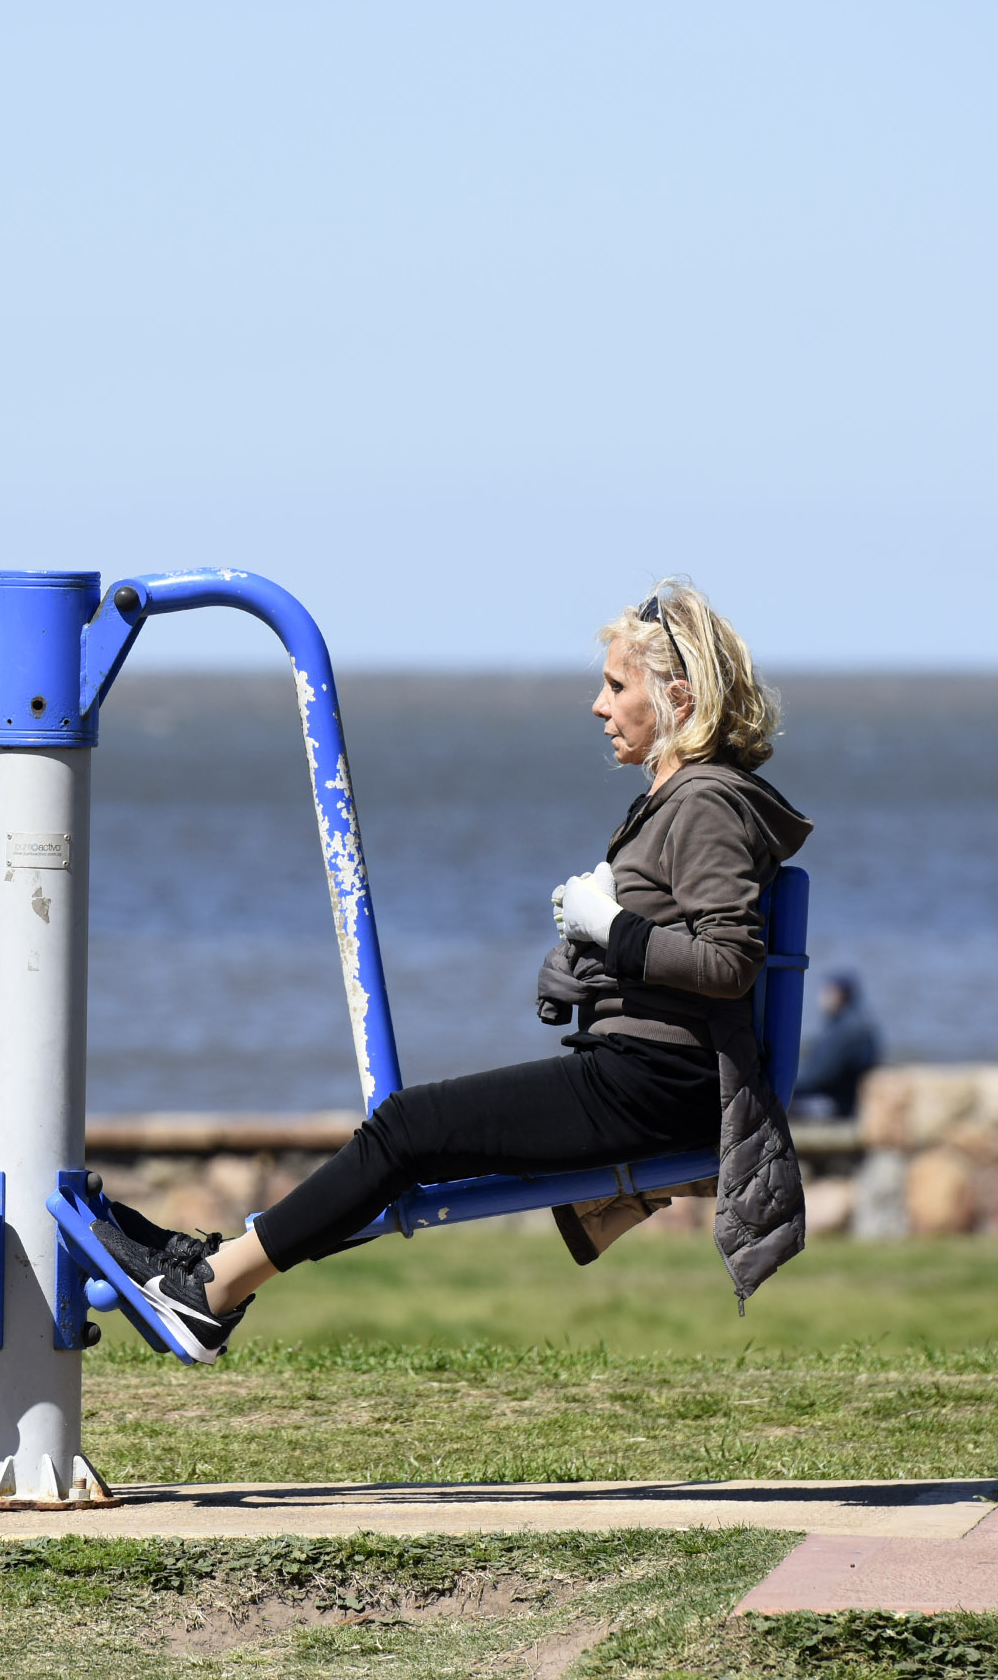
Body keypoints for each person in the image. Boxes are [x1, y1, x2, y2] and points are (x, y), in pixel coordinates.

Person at [96, 580, 814, 1360]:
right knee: (412, 1146)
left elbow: (728, 962)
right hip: (647, 1067)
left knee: (408, 1131)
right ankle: (213, 1269)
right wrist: (590, 962)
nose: (598, 706)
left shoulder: (704, 801)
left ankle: (208, 1289)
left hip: (657, 1081)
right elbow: (677, 951)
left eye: (615, 685)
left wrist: (613, 930)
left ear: (676, 695)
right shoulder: (678, 799)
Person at [789, 973, 882, 1123]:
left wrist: (781, 1085)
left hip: (836, 1105)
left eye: (827, 991)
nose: (821, 996)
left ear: (839, 995)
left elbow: (817, 1076)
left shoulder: (846, 1031)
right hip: (851, 1102)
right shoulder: (855, 1022)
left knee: (778, 1102)